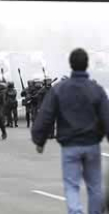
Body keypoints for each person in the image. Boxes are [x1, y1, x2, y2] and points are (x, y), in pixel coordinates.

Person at [32, 48, 109, 214]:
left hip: (70, 146)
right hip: (91, 145)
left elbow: (46, 115)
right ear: (87, 64)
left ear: (71, 65)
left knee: (71, 186)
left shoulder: (59, 89)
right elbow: (106, 117)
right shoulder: (96, 90)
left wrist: (40, 140)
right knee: (94, 186)